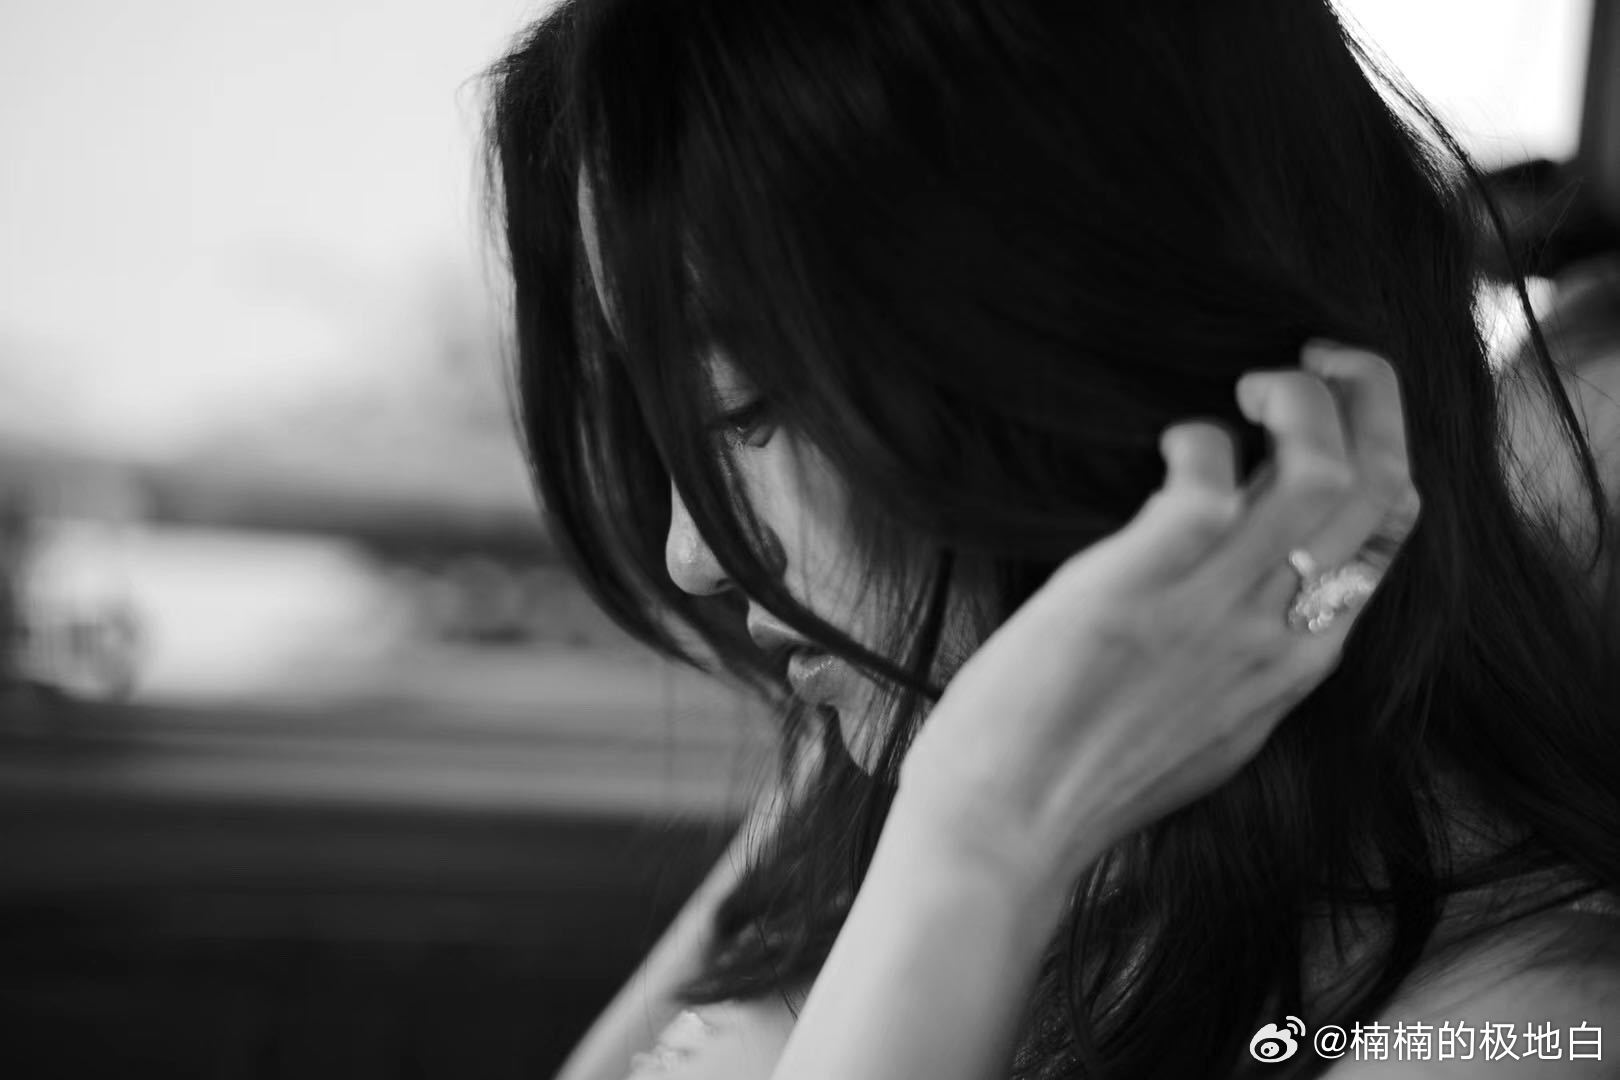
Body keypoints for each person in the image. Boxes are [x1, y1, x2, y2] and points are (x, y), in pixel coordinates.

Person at [483, 1, 1620, 1076]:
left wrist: (983, 847)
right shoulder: (885, 754)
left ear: (1094, 345)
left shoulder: (1515, 1031)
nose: (694, 555)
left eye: (743, 408)